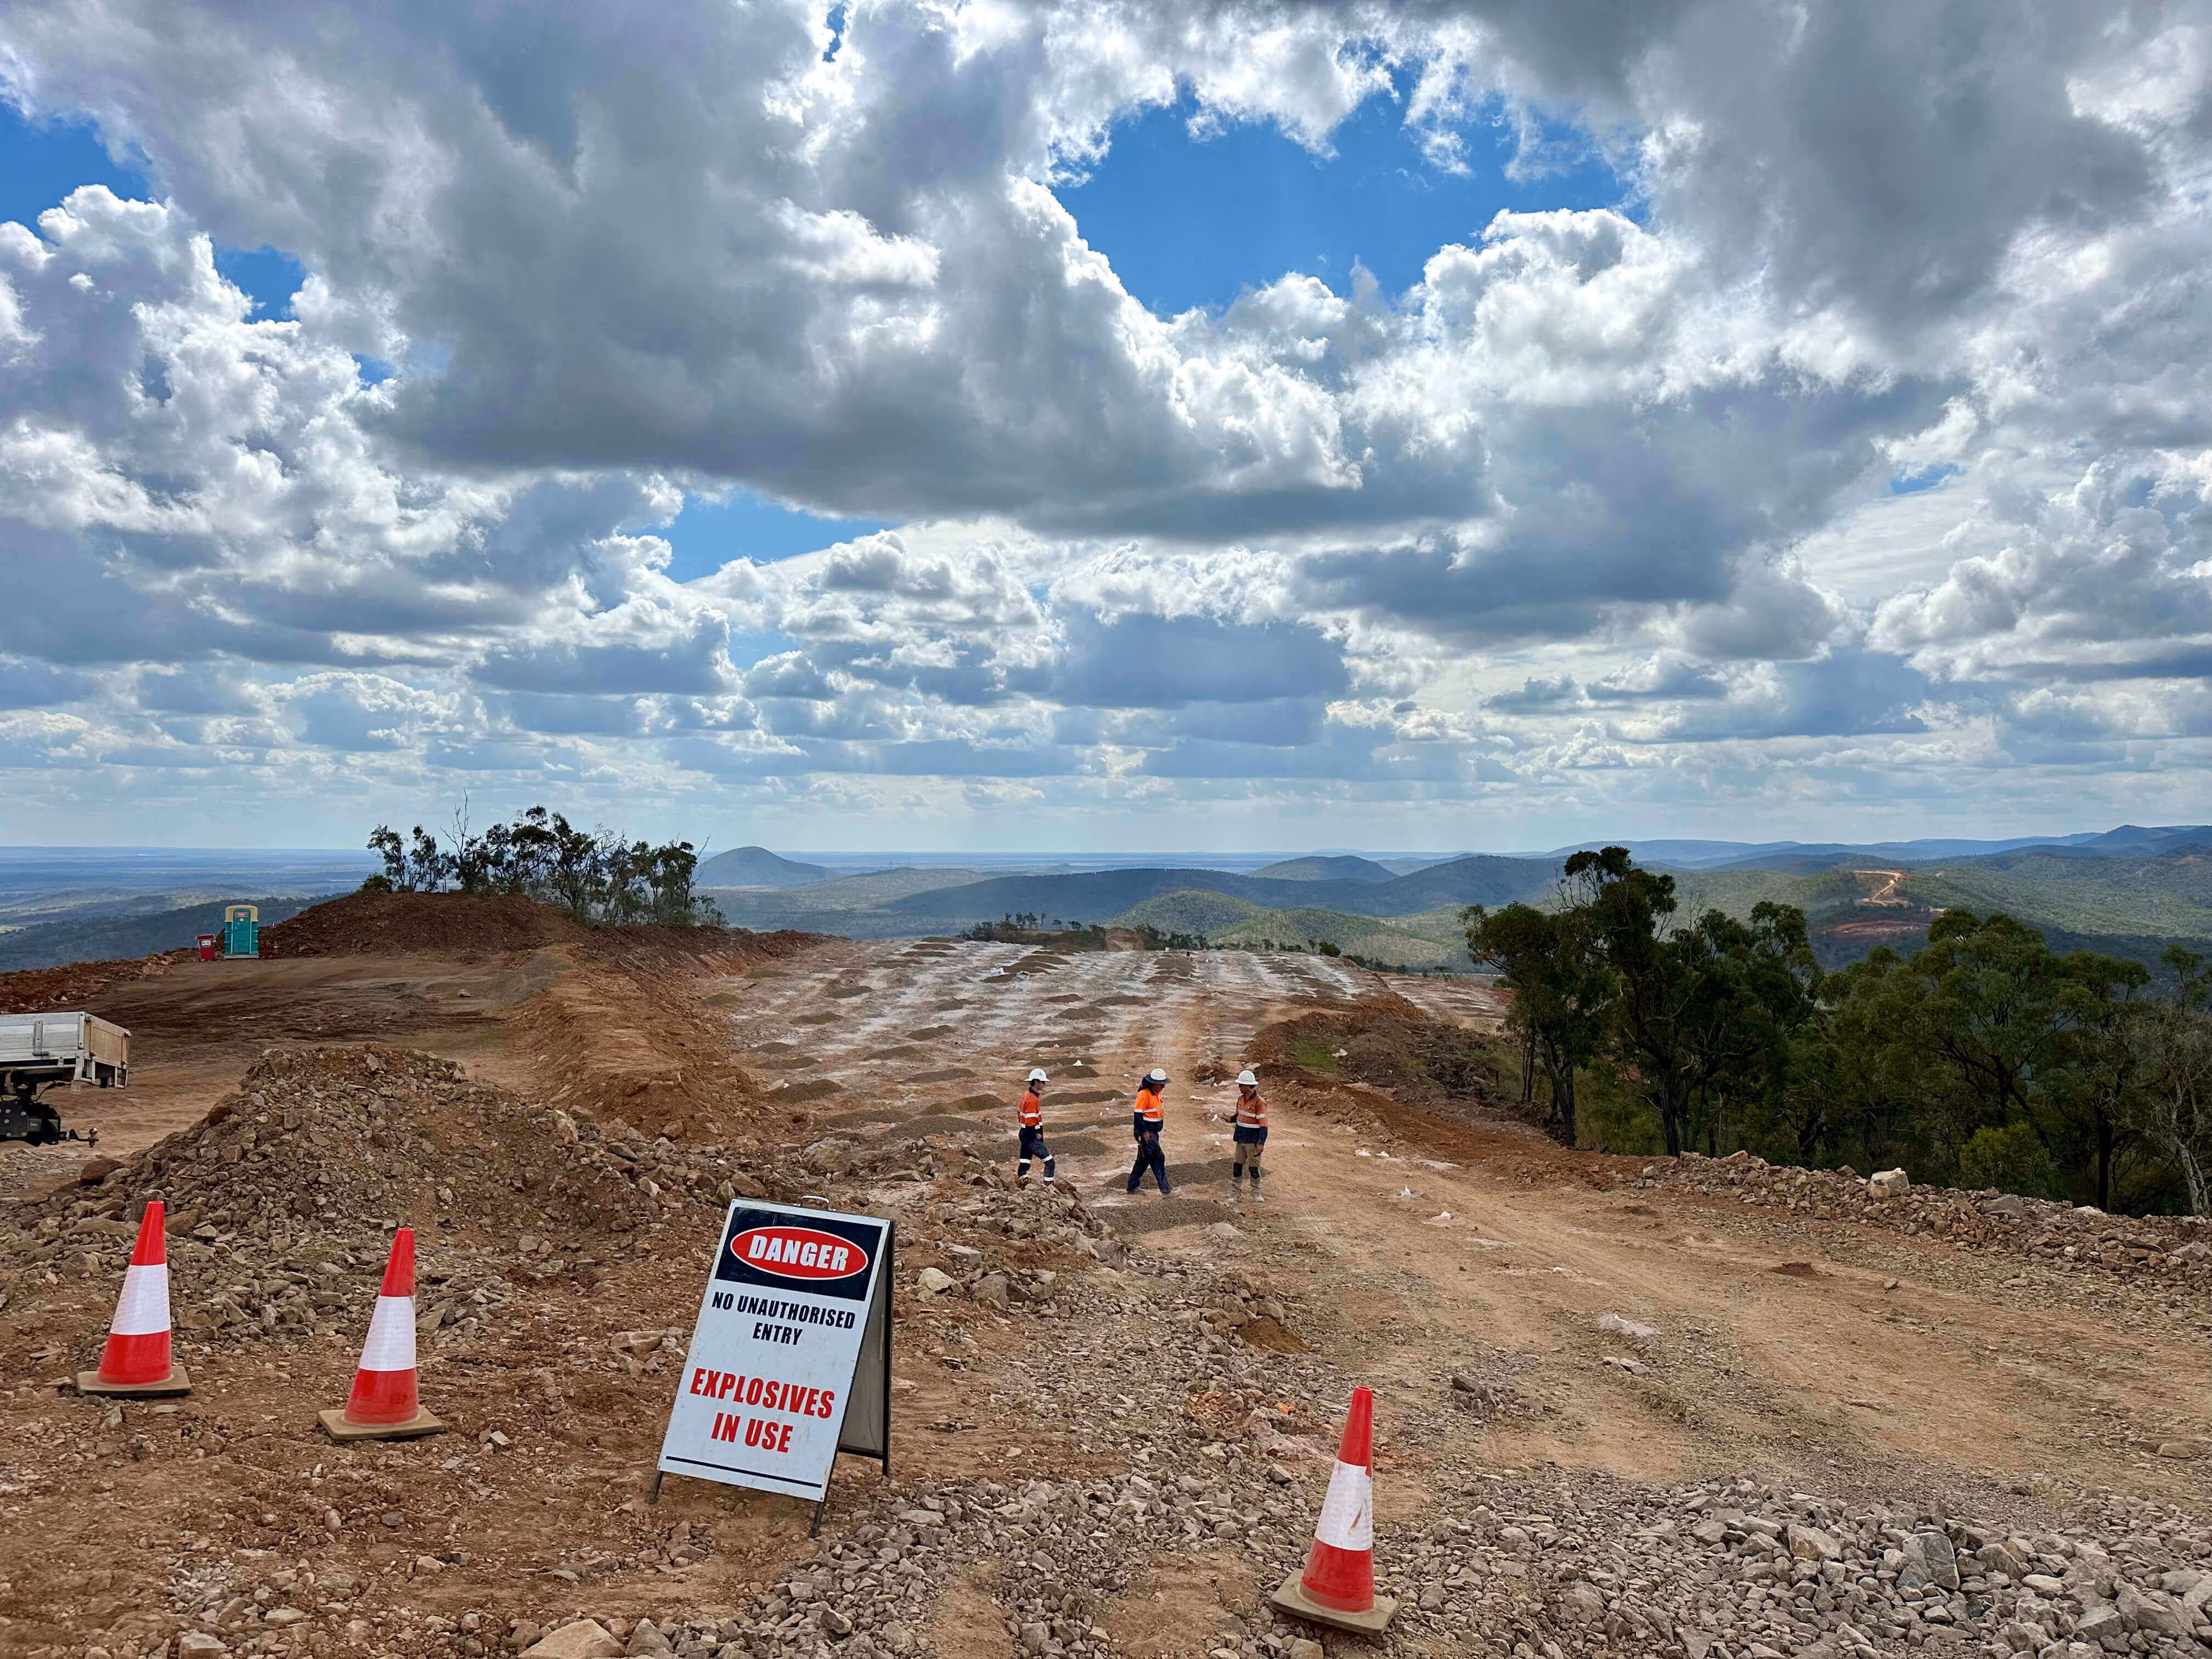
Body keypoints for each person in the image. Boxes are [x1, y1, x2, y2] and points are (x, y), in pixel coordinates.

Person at [1127, 1066, 1171, 1195]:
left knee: (1144, 1160)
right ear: (1154, 1084)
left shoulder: (1157, 1093)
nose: (1163, 1087)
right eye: (1161, 1084)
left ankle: (1132, 1185)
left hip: (1153, 1133)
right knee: (1158, 1158)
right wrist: (1143, 1133)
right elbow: (1138, 1116)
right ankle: (1165, 1189)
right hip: (1146, 1133)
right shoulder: (1144, 1095)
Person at [1229, 1068, 1268, 1201]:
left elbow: (1263, 1125)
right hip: (1241, 1138)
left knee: (1254, 1168)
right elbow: (1238, 1115)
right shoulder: (1241, 1099)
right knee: (1237, 1166)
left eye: (1241, 1085)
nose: (1239, 1087)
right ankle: (1235, 1194)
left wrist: (1261, 1143)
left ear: (1248, 1086)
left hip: (1253, 1141)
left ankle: (1256, 1193)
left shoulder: (1259, 1102)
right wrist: (1230, 1119)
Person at [1016, 1066, 1055, 1187]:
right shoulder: (1032, 1099)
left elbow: (1021, 1116)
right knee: (1050, 1162)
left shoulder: (1027, 1095)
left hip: (1025, 1134)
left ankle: (1021, 1181)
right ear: (1036, 1082)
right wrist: (1035, 1135)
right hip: (1031, 1135)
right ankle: (1050, 1187)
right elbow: (1030, 1121)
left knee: (1025, 1161)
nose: (1044, 1084)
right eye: (1043, 1082)